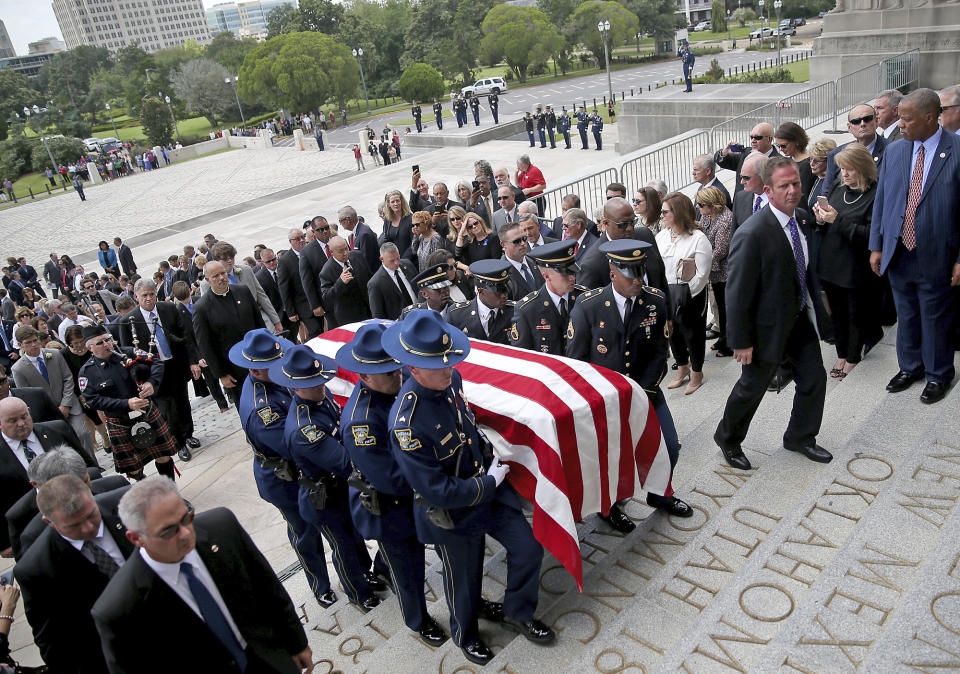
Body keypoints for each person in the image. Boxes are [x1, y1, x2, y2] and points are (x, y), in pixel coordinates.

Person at [384, 310, 554, 665]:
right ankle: (466, 634)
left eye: (449, 362)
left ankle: (517, 611)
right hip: (454, 511)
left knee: (529, 548)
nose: (449, 370)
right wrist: (487, 482)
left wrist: (490, 465)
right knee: (464, 579)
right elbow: (435, 490)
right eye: (439, 366)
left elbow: (467, 427)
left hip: (487, 490)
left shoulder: (451, 380)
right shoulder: (407, 423)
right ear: (413, 369)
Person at [92, 476, 313, 674]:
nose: (186, 533)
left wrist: (297, 643)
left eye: (186, 518)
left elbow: (267, 587)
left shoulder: (222, 528)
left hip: (268, 661)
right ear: (136, 538)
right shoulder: (118, 608)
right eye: (169, 530)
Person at [715, 156, 832, 470]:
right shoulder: (753, 233)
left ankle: (800, 436)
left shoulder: (803, 218)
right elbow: (736, 293)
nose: (793, 190)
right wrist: (740, 341)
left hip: (798, 320)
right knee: (751, 389)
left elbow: (805, 271)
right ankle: (728, 439)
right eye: (784, 186)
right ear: (768, 190)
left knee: (814, 378)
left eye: (796, 183)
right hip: (765, 329)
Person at [335, 323, 448, 646]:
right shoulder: (362, 422)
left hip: (411, 493)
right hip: (390, 507)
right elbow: (390, 479)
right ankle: (418, 620)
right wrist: (434, 476)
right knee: (408, 569)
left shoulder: (393, 388)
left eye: (397, 369)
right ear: (365, 377)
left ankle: (382, 566)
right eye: (388, 374)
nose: (398, 377)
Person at [567, 239, 692, 522]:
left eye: (640, 271)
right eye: (630, 273)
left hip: (644, 390)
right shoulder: (589, 306)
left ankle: (660, 494)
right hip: (603, 397)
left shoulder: (655, 301)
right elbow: (577, 361)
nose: (638, 279)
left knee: (669, 444)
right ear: (613, 273)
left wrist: (641, 391)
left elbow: (660, 352)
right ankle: (610, 505)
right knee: (611, 457)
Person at [270, 345, 386, 610]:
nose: (321, 386)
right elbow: (345, 461)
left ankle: (366, 574)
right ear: (296, 387)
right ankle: (358, 593)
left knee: (355, 538)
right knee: (343, 547)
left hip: (340, 490)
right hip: (324, 498)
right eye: (313, 383)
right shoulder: (304, 428)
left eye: (321, 380)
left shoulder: (320, 397)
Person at [230, 329, 336, 608]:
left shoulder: (274, 377)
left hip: (306, 467)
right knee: (305, 532)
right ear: (255, 368)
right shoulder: (259, 409)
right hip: (284, 477)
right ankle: (320, 585)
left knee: (333, 526)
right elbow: (293, 447)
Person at [869, 88, 960, 405]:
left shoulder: (957, 150)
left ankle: (938, 374)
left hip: (938, 253)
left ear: (930, 117)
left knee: (935, 316)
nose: (900, 124)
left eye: (907, 119)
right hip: (898, 250)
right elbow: (883, 201)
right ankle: (910, 367)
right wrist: (876, 245)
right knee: (906, 313)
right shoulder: (896, 151)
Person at [14, 474, 134, 674]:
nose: (89, 528)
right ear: (49, 521)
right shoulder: (37, 569)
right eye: (73, 525)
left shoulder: (126, 505)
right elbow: (52, 641)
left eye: (91, 515)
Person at [813, 143, 881, 381]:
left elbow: (871, 233)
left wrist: (836, 220)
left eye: (850, 169)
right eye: (842, 169)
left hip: (855, 265)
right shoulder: (836, 186)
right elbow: (826, 223)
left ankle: (853, 357)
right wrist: (820, 219)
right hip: (831, 261)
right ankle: (842, 354)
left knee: (854, 315)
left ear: (863, 168)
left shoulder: (875, 193)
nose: (845, 174)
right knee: (837, 314)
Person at [78, 324, 178, 480]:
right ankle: (149, 495)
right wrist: (126, 404)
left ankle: (172, 494)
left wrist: (151, 383)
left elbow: (156, 362)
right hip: (120, 421)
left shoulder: (128, 352)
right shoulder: (87, 372)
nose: (106, 344)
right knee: (133, 468)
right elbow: (93, 400)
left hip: (147, 413)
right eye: (100, 342)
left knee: (163, 455)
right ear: (90, 348)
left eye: (108, 339)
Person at [120, 278, 201, 462]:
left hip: (175, 365)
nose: (149, 299)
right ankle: (178, 443)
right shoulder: (129, 321)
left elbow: (184, 336)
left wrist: (192, 361)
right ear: (136, 297)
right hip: (152, 373)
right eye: (144, 296)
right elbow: (128, 354)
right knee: (166, 409)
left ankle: (188, 433)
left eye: (152, 295)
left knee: (182, 403)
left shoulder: (168, 308)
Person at [657, 193, 713, 395]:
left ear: (677, 212)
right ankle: (682, 368)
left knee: (693, 334)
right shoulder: (662, 236)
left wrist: (683, 294)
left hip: (690, 296)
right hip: (667, 294)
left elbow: (702, 274)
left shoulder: (698, 239)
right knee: (673, 334)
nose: (661, 215)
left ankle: (697, 372)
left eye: (665, 211)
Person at [11, 325, 94, 454]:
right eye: (29, 343)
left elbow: (68, 378)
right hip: (48, 413)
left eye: (35, 340)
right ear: (20, 344)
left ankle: (93, 465)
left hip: (69, 404)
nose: (34, 345)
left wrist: (65, 404)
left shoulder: (54, 354)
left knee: (82, 434)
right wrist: (53, 410)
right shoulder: (18, 369)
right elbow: (27, 395)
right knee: (63, 444)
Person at [192, 261, 265, 408]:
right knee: (248, 407)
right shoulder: (202, 307)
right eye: (216, 276)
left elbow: (259, 323)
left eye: (223, 273)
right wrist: (221, 374)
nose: (221, 278)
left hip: (259, 360)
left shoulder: (242, 291)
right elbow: (206, 345)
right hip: (233, 370)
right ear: (207, 280)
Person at [510, 239, 585, 354]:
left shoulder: (584, 299)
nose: (572, 278)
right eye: (566, 273)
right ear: (546, 276)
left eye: (573, 272)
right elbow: (522, 356)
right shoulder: (527, 310)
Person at [202, 241, 282, 334]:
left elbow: (261, 296)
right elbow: (210, 313)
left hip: (258, 320)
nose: (230, 261)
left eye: (231, 257)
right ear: (216, 260)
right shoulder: (207, 283)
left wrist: (276, 321)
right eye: (225, 259)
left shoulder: (246, 270)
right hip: (233, 329)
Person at [696, 186, 734, 358]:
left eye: (701, 204)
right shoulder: (707, 216)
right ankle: (723, 338)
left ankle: (729, 342)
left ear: (713, 205)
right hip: (714, 271)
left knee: (726, 308)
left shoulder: (725, 221)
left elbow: (720, 250)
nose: (698, 207)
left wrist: (700, 262)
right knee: (719, 306)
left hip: (724, 271)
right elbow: (700, 233)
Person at [821, 103, 888, 199]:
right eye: (856, 121)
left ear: (876, 121)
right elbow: (826, 192)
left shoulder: (892, 150)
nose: (862, 124)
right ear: (849, 128)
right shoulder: (837, 154)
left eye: (867, 119)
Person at [447, 259, 514, 343]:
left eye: (506, 290)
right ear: (480, 290)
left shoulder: (515, 312)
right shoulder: (456, 315)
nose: (504, 295)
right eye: (498, 291)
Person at [278, 228, 322, 341]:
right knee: (315, 330)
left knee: (322, 329)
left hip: (318, 299)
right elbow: (284, 288)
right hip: (303, 305)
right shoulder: (285, 261)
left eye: (303, 237)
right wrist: (290, 311)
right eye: (297, 239)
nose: (302, 240)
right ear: (290, 241)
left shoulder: (311, 252)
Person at [319, 236, 372, 328]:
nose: (345, 253)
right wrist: (340, 283)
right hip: (350, 318)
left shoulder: (357, 256)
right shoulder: (326, 271)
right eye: (340, 251)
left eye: (346, 249)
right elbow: (327, 298)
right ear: (332, 252)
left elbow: (370, 277)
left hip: (369, 310)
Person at [715, 122, 780, 194]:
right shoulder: (745, 153)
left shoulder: (779, 162)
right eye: (751, 137)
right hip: (741, 203)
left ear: (769, 139)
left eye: (757, 138)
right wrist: (725, 152)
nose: (753, 141)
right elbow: (722, 161)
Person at [368, 242, 418, 320]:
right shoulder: (375, 283)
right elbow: (378, 315)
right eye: (392, 261)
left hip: (419, 314)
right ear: (382, 259)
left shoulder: (408, 265)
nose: (396, 263)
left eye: (398, 258)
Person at [499, 221, 544, 301]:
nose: (523, 243)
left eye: (524, 238)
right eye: (516, 241)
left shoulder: (535, 260)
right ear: (503, 245)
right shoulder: (500, 274)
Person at [774, 122, 814, 205]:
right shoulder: (790, 161)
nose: (781, 149)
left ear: (797, 141)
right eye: (778, 146)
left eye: (784, 146)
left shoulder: (807, 165)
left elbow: (803, 195)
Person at [730, 153, 770, 236]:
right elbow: (734, 234)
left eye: (746, 178)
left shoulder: (783, 199)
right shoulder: (740, 197)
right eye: (741, 177)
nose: (742, 182)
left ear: (763, 176)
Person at [380, 190, 415, 259]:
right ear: (389, 204)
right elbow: (387, 239)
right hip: (393, 259)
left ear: (401, 201)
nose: (396, 204)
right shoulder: (387, 219)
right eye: (392, 202)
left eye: (397, 201)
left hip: (408, 259)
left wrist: (402, 260)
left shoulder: (410, 218)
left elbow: (413, 243)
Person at [806, 138, 837, 213]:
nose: (811, 163)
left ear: (829, 161)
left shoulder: (830, 183)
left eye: (817, 161)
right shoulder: (818, 177)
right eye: (810, 159)